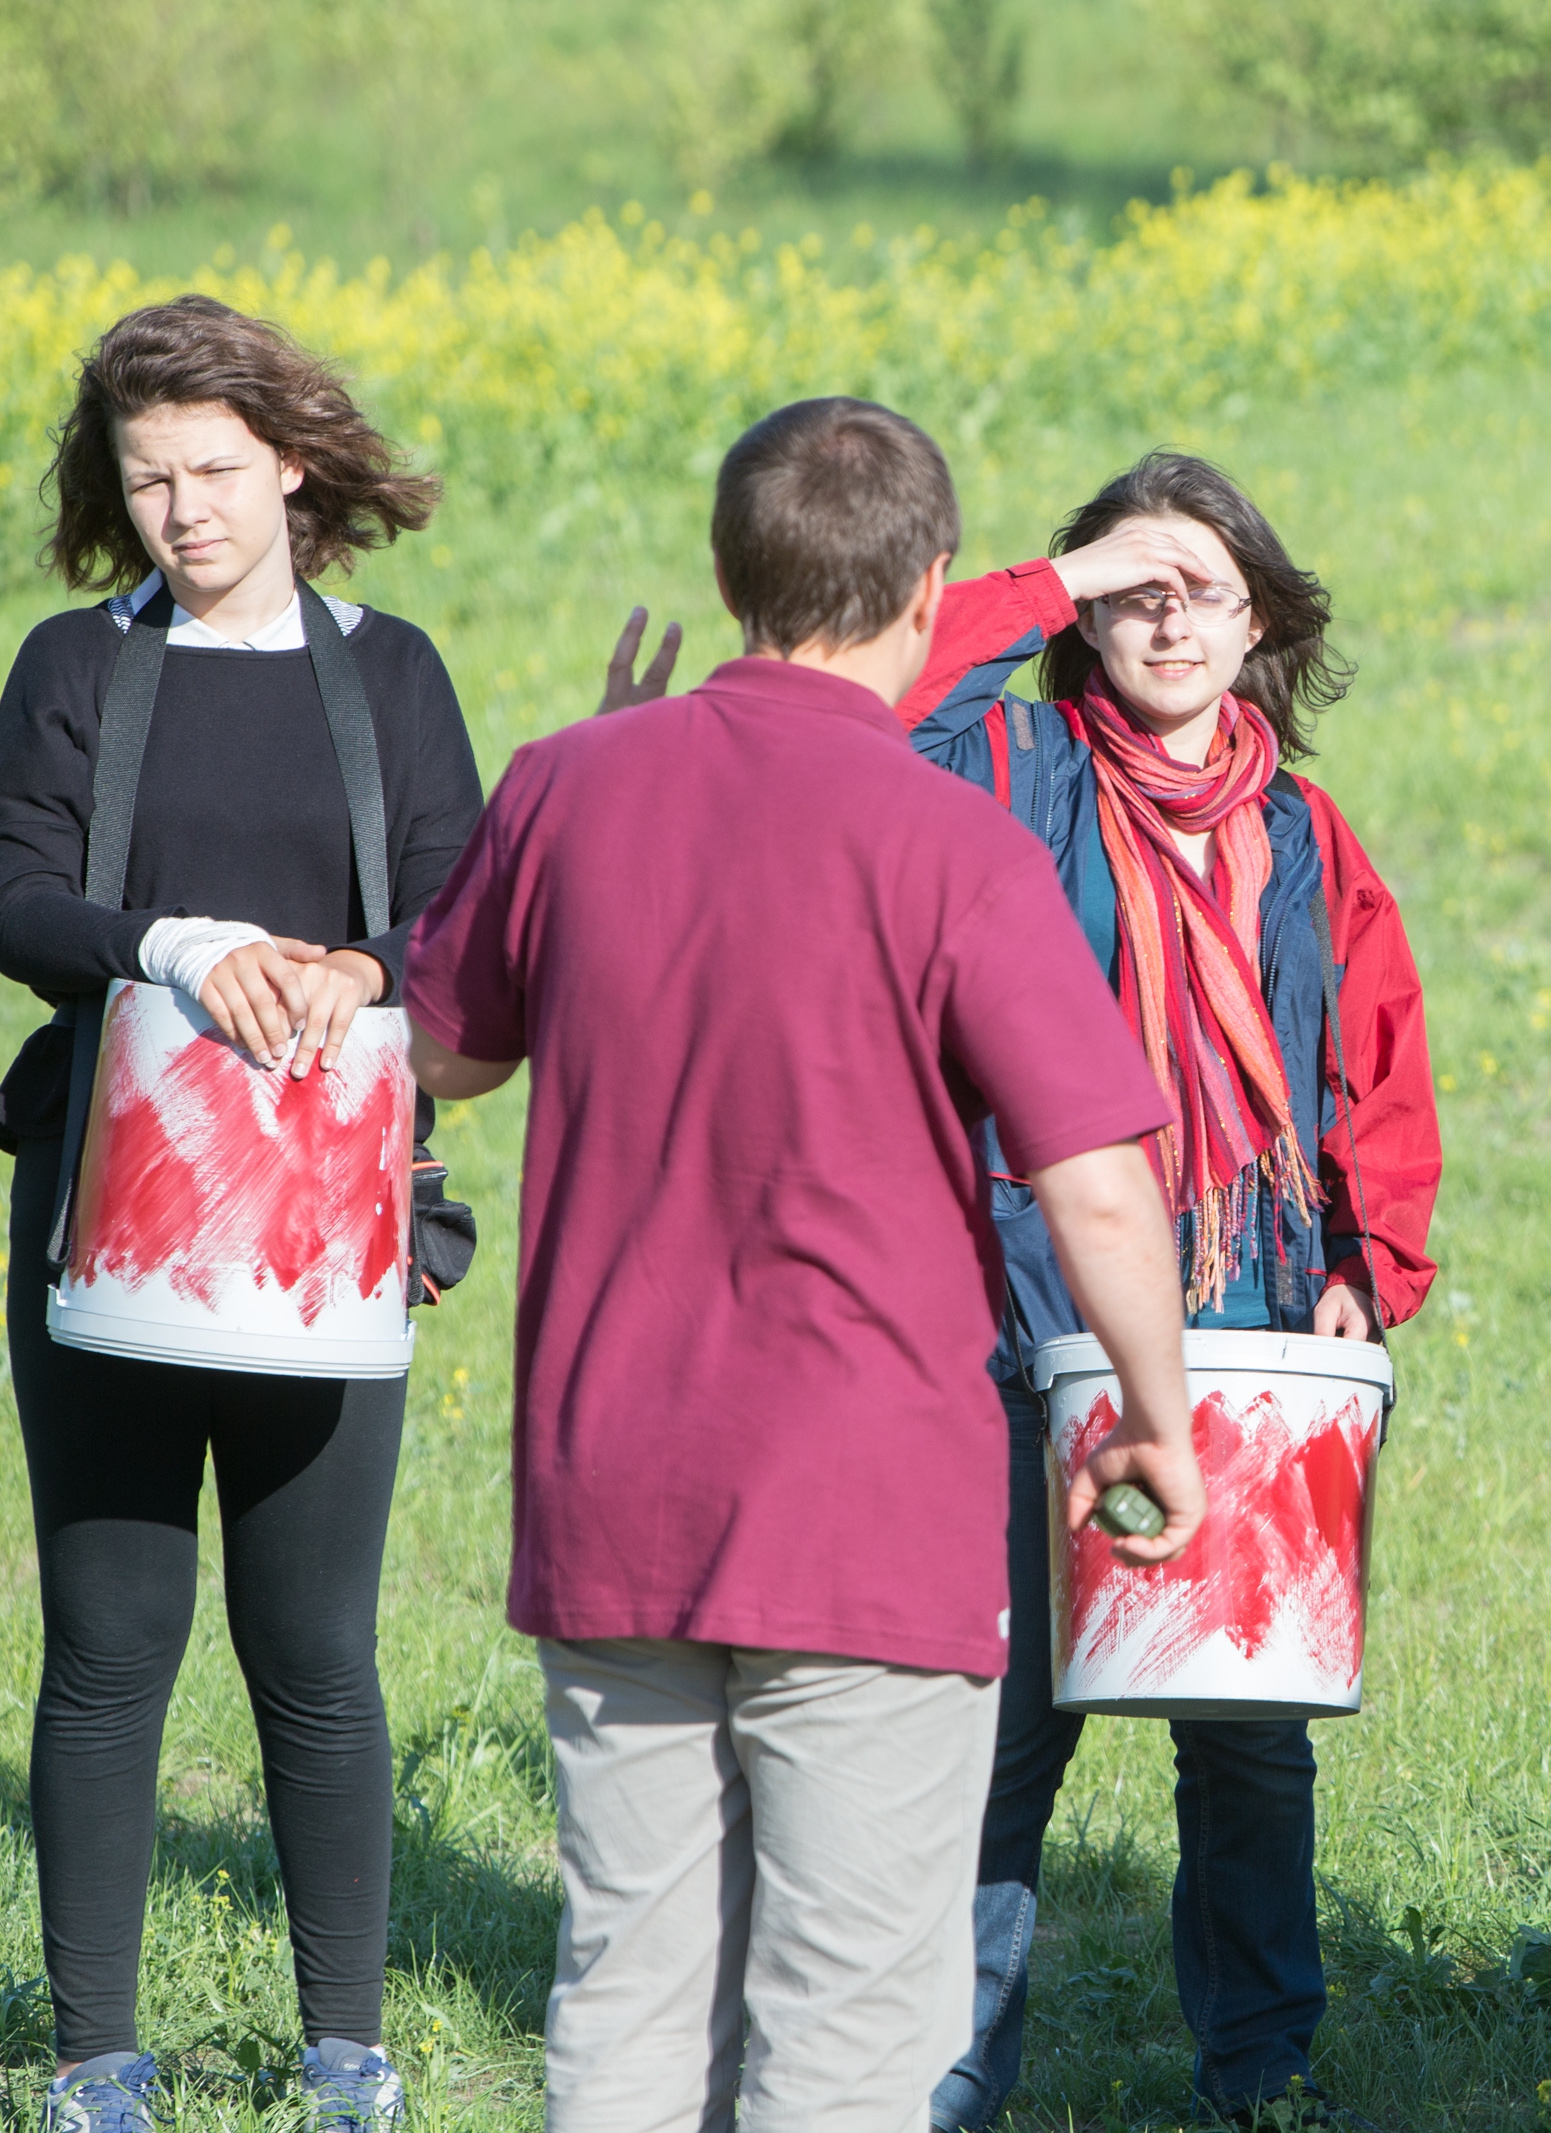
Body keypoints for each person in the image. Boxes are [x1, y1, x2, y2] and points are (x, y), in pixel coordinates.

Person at [403, 396, 1206, 2133]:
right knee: (844, 2031)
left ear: (729, 575)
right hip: (866, 1513)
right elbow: (1101, 1188)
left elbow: (446, 1049)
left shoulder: (567, 781)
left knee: (629, 1992)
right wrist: (1160, 1416)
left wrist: (572, 807)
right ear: (931, 586)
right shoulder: (960, 845)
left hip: (612, 1496)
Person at [877, 452, 1440, 2129]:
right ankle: (943, 2077)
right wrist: (1067, 571)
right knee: (1004, 1720)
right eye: (1140, 591)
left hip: (1255, 1305)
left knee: (1249, 1722)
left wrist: (1367, 1263)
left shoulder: (1304, 830)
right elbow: (881, 693)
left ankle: (1263, 2071)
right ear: (1088, 611)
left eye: (1208, 591)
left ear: (1262, 620)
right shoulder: (1008, 768)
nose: (1174, 622)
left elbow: (1377, 1062)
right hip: (1022, 1303)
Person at [0, 295, 484, 2133]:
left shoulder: (391, 675)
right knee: (109, 1643)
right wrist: (174, 946)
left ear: (290, 463)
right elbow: (14, 894)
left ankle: (347, 2053)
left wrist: (357, 967)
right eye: (147, 478)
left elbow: (459, 915)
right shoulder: (76, 667)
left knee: (319, 1651)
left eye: (212, 469)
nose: (183, 509)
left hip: (328, 1231)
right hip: (106, 1218)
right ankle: (93, 2059)